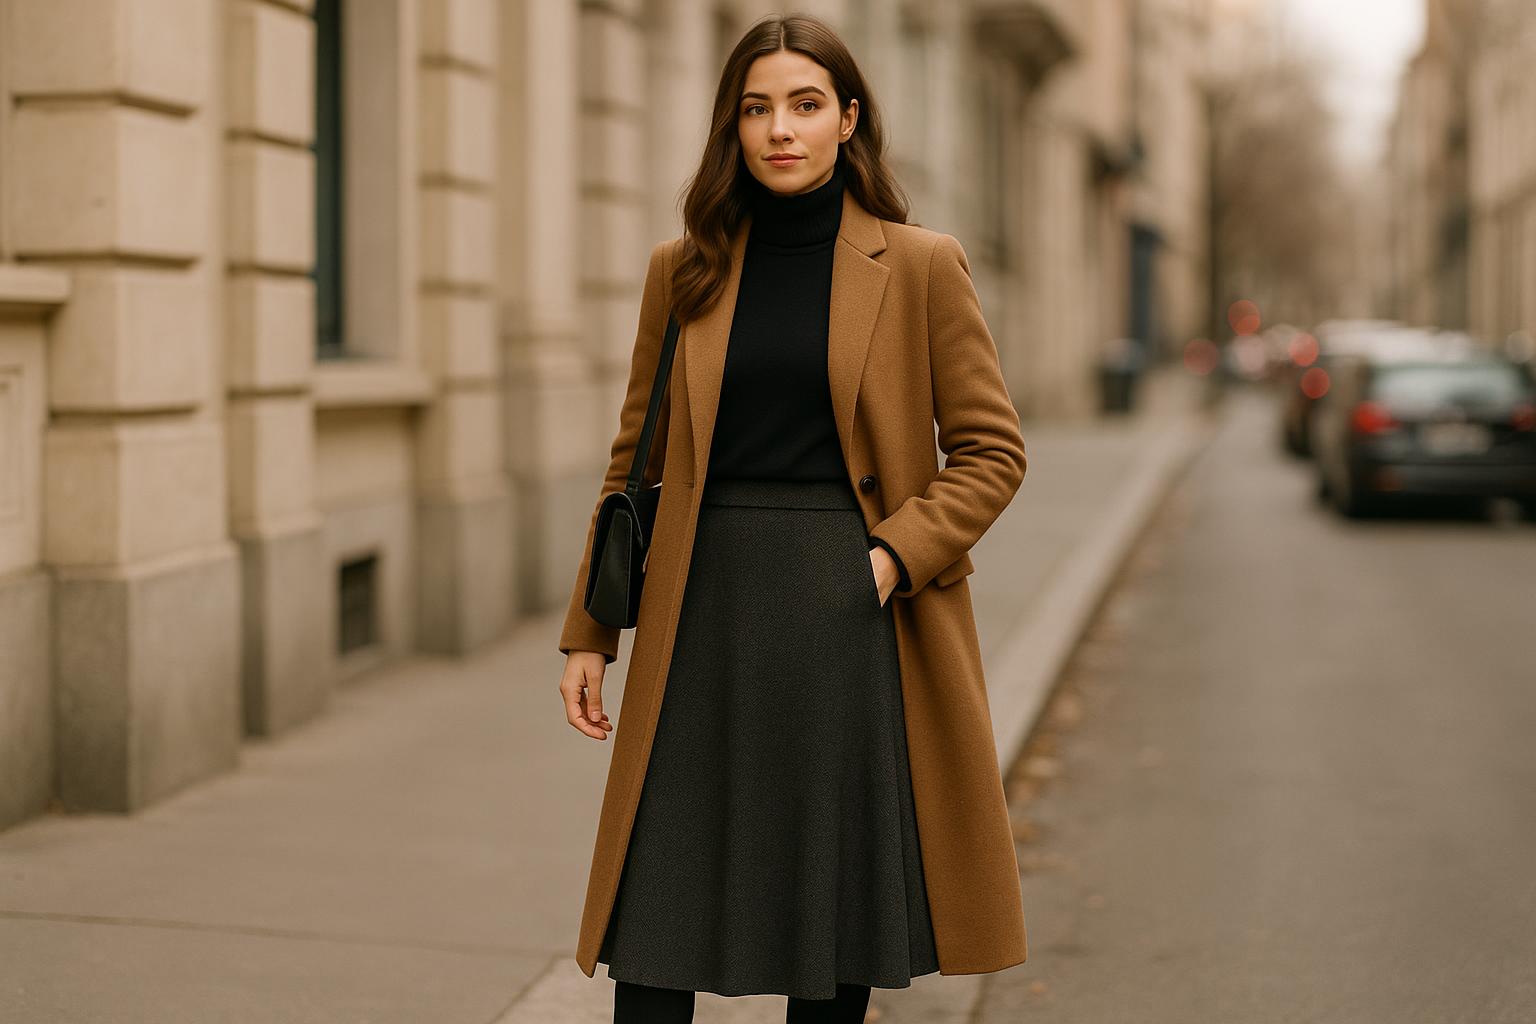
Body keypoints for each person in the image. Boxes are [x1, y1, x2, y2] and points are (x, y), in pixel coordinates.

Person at [556, 12, 1030, 1024]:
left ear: (848, 119)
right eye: (757, 108)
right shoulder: (684, 268)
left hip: (844, 616)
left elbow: (993, 452)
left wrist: (890, 558)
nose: (780, 129)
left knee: (829, 931)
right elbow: (634, 458)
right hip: (698, 610)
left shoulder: (919, 265)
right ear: (731, 126)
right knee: (657, 921)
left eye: (805, 105)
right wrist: (591, 632)